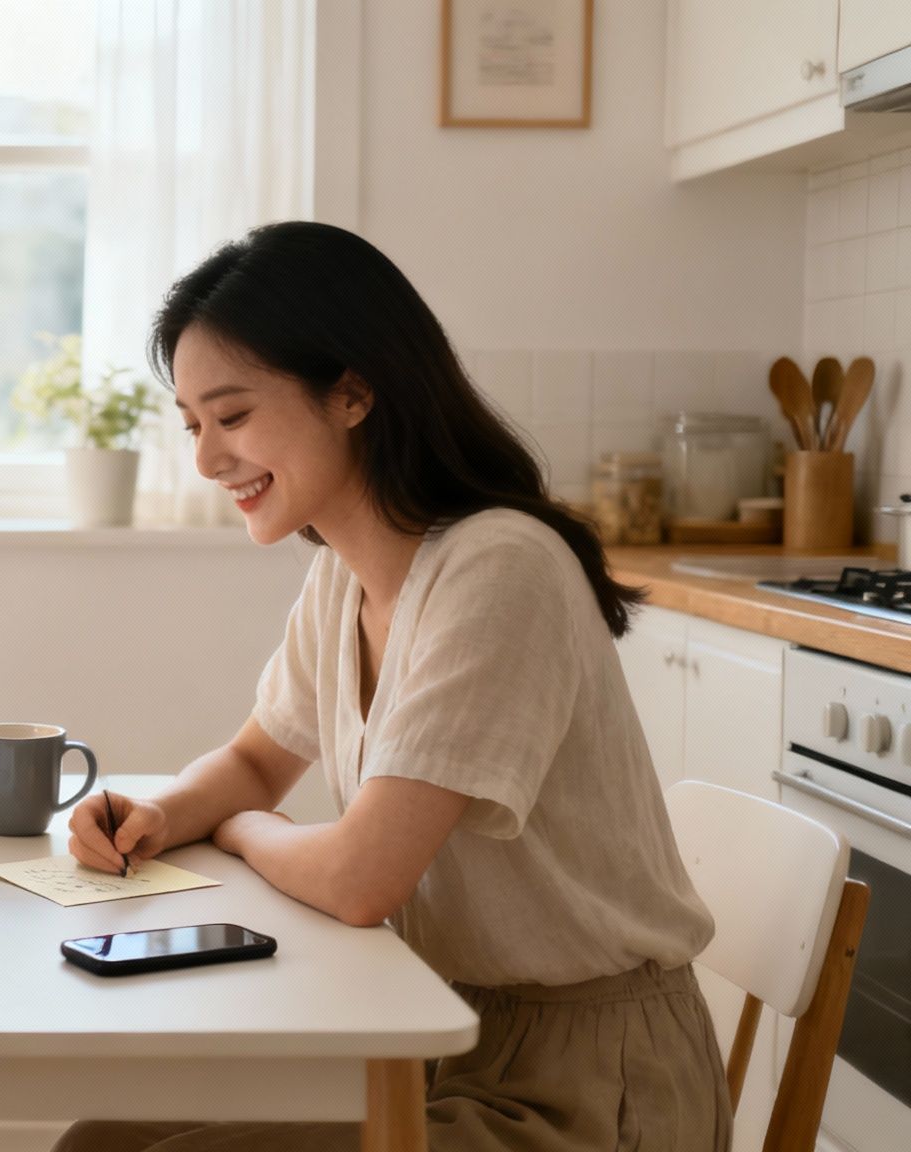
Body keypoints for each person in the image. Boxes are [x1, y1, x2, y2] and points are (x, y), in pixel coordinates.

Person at [57, 222, 729, 1152]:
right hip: (432, 1031)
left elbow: (359, 880)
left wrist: (249, 832)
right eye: (193, 425)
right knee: (105, 1141)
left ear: (354, 392)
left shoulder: (501, 568)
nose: (208, 460)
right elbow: (256, 759)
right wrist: (164, 814)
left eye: (234, 415)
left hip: (588, 1084)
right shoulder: (346, 570)